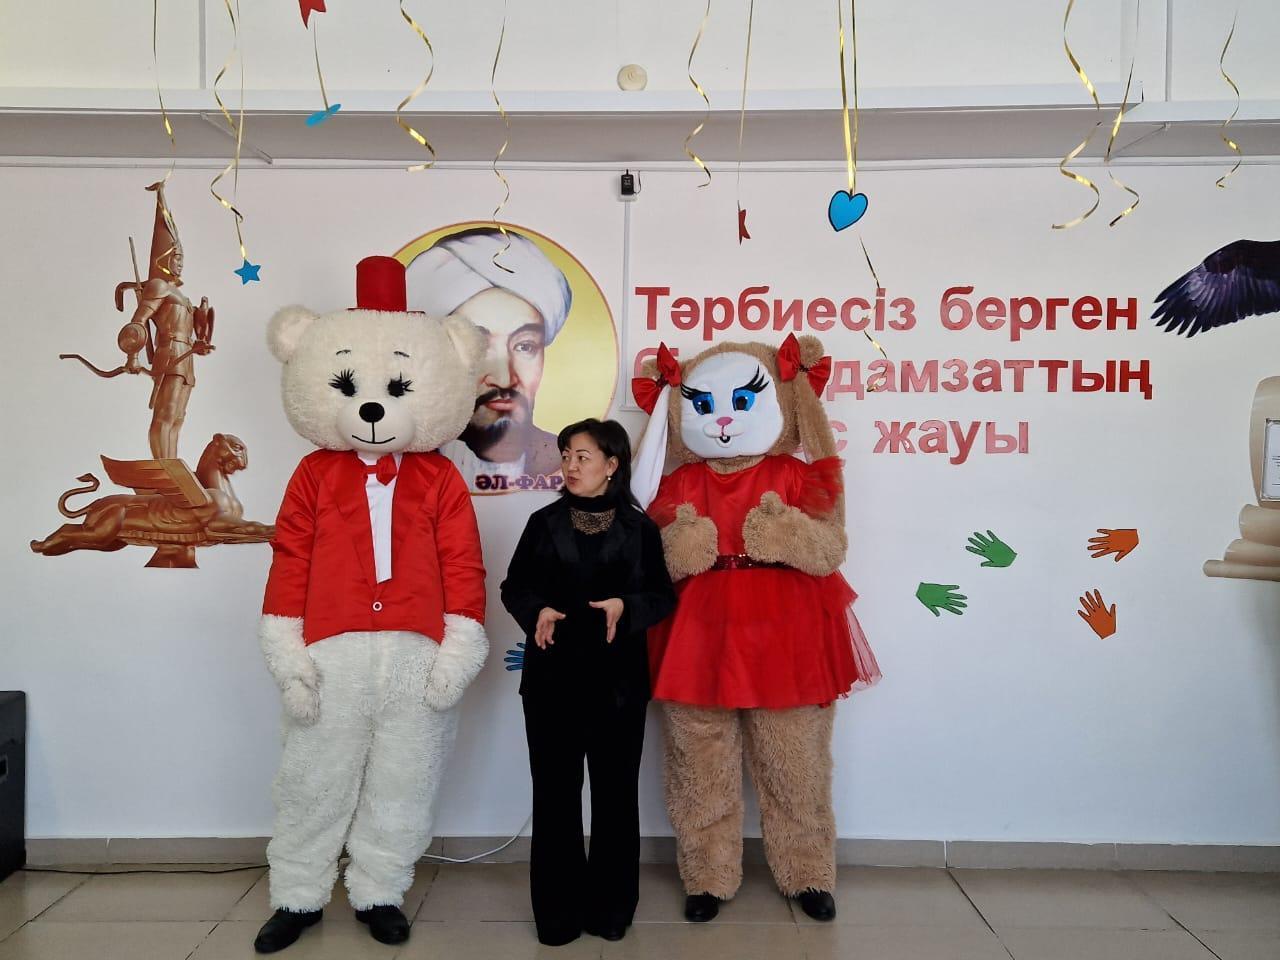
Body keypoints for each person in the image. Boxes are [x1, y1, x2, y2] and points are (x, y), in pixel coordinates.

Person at [500, 418, 676, 945]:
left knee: (616, 797)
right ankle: (556, 915)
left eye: (582, 456)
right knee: (555, 796)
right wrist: (537, 610)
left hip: (618, 685)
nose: (570, 466)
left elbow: (662, 597)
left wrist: (627, 606)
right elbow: (514, 586)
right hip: (552, 682)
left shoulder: (640, 529)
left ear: (612, 465)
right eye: (566, 456)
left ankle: (611, 909)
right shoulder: (542, 523)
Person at [407, 228, 572, 491]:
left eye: (525, 346)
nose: (505, 379)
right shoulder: (400, 465)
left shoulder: (569, 462)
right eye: (479, 346)